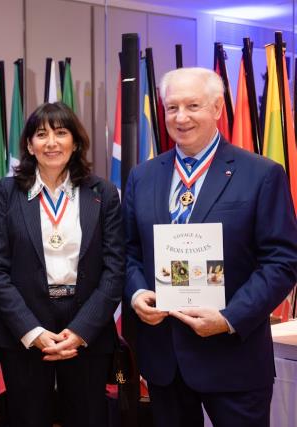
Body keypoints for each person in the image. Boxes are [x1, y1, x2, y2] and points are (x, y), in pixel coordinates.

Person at [124, 67, 297, 427]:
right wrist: (137, 291)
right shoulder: (143, 176)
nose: (181, 117)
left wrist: (230, 318)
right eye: (172, 108)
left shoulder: (262, 174)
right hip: (165, 358)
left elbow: (282, 260)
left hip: (234, 357)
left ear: (218, 108)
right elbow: (129, 251)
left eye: (193, 106)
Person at [0, 102, 124, 427]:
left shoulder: (102, 192)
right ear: (30, 145)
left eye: (61, 133)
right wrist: (31, 331)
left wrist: (81, 330)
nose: (51, 142)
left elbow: (115, 269)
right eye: (41, 134)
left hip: (86, 327)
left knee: (88, 418)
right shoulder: (7, 192)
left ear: (75, 142)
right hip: (26, 329)